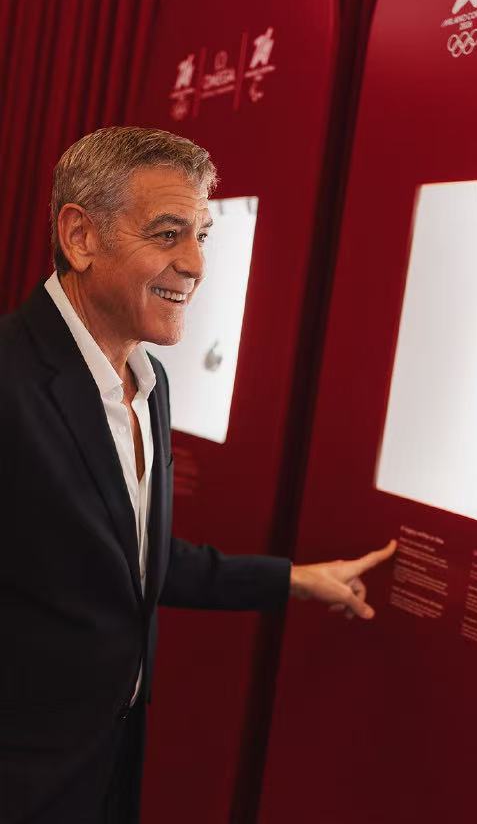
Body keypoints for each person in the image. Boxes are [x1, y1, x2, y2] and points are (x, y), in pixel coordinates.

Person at [0, 126, 396, 823]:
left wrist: (295, 579)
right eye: (167, 234)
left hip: (107, 766)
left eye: (202, 235)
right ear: (80, 237)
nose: (195, 264)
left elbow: (131, 563)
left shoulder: (149, 382)